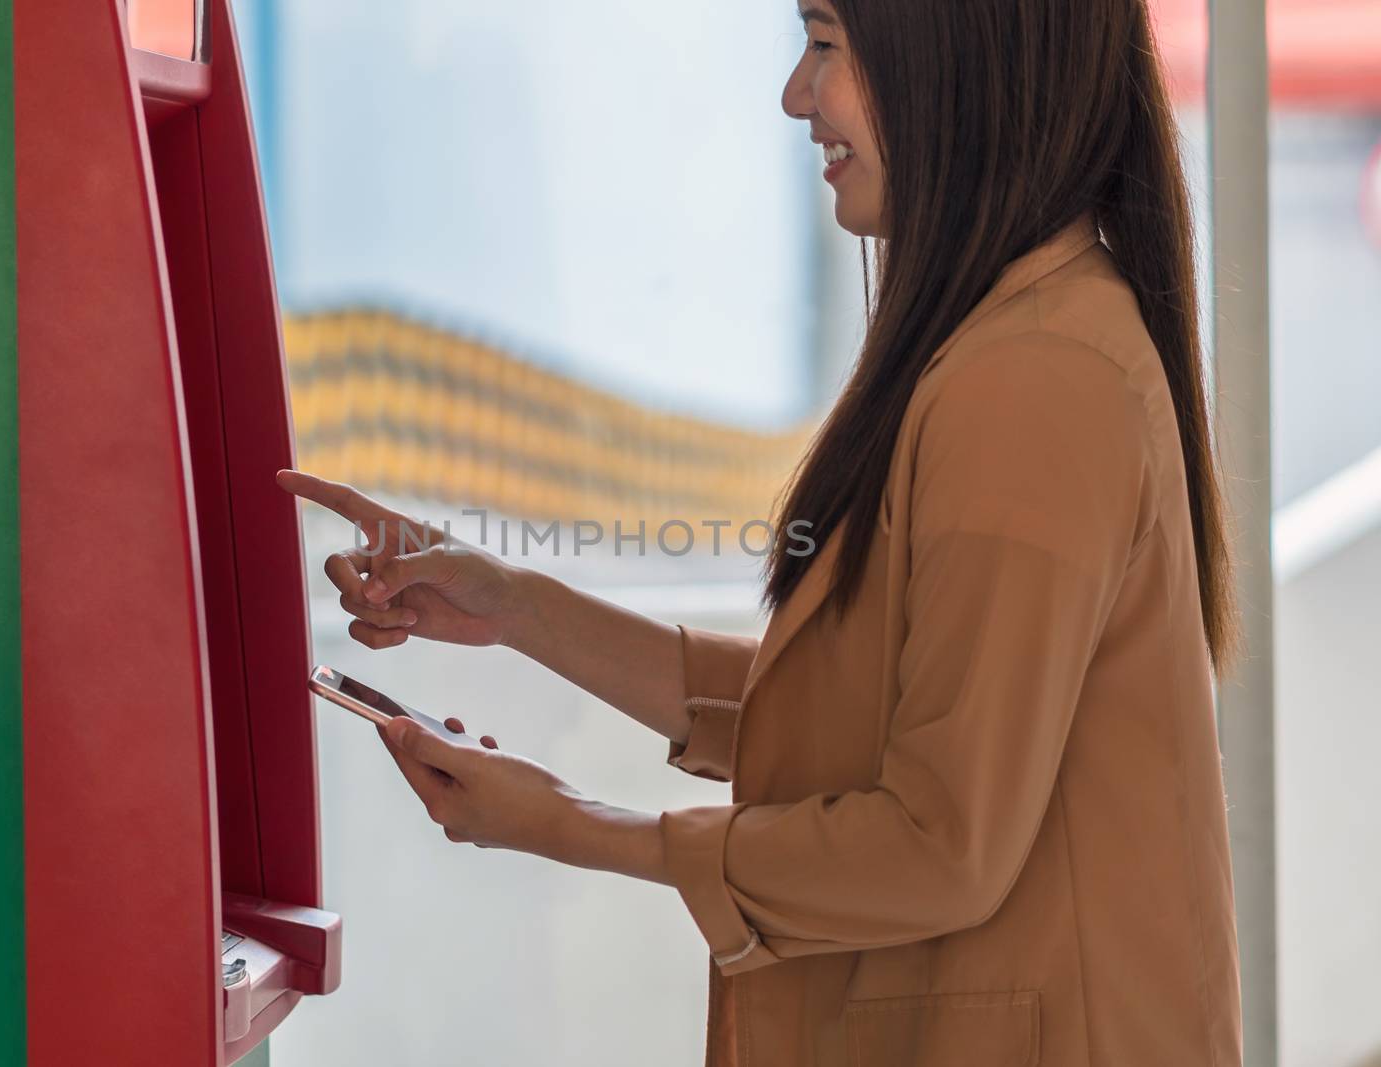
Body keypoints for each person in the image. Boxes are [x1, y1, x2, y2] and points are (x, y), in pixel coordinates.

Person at [277, 0, 1244, 1062]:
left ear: (954, 55)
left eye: (825, 43)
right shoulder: (1009, 339)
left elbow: (938, 842)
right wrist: (512, 604)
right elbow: (860, 715)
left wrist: (570, 821)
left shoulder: (1033, 379)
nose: (796, 95)